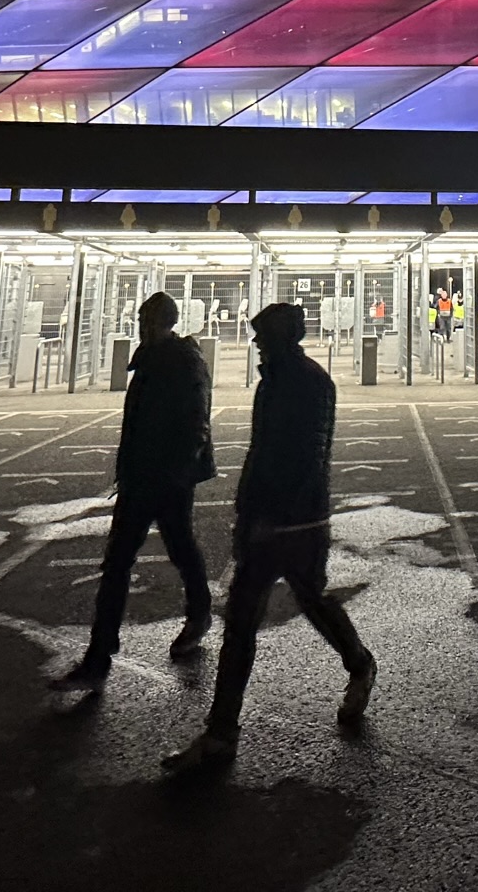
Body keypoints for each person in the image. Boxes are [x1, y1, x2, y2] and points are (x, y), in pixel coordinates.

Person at [161, 303, 376, 775]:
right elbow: (260, 452)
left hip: (297, 523)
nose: (255, 342)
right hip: (268, 519)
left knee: (312, 602)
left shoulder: (309, 384)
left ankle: (359, 663)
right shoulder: (275, 381)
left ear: (282, 337)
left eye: (262, 335)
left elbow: (307, 457)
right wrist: (246, 511)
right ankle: (221, 733)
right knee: (241, 620)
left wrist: (273, 516)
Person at [50, 293, 215, 691]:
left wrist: (178, 469)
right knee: (118, 561)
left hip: (168, 476)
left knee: (180, 548)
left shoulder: (181, 360)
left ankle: (199, 612)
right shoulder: (149, 356)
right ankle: (99, 654)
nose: (144, 325)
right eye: (143, 318)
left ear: (166, 321)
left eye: (150, 318)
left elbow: (196, 418)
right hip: (142, 475)